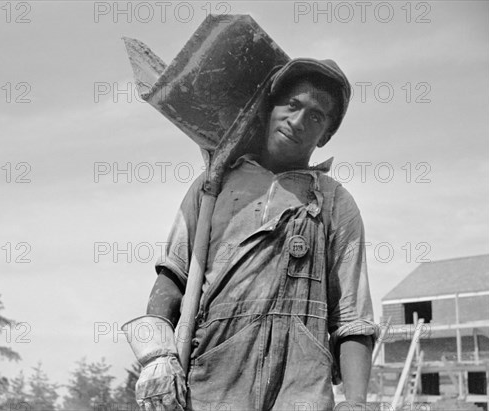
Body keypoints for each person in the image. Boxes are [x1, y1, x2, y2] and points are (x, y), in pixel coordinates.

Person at [122, 58, 379, 411]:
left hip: (300, 392)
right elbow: (173, 277)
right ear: (267, 109)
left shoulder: (334, 202)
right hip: (211, 388)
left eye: (316, 116)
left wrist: (358, 403)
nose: (299, 121)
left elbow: (353, 319)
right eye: (292, 105)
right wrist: (157, 357)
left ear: (327, 135)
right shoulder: (213, 186)